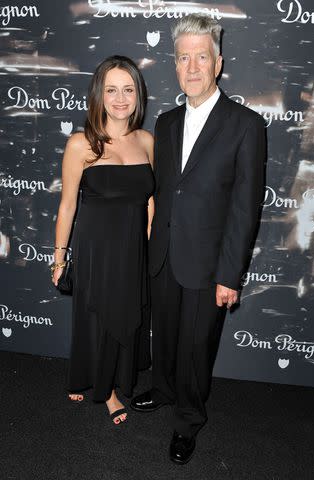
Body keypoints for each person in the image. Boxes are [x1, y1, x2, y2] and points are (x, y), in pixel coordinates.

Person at [131, 14, 266, 463]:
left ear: (218, 62)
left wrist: (230, 274)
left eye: (201, 57)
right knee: (164, 336)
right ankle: (165, 390)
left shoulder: (246, 124)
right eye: (183, 57)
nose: (192, 67)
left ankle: (188, 421)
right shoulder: (166, 123)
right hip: (164, 255)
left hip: (208, 264)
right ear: (175, 64)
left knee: (195, 348)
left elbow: (245, 209)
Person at [52, 56, 154, 425]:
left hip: (132, 250)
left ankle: (97, 376)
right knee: (97, 317)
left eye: (128, 89)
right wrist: (60, 259)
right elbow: (67, 207)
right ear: (99, 94)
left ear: (138, 95)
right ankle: (106, 391)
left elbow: (151, 200)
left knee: (127, 313)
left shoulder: (146, 141)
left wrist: (149, 249)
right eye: (111, 89)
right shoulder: (82, 143)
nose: (120, 98)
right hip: (95, 248)